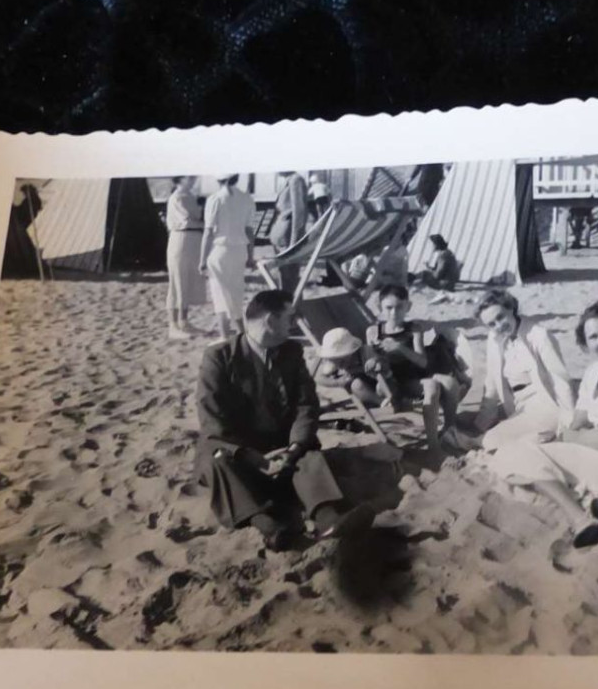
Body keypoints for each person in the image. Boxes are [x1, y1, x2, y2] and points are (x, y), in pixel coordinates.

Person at [196, 290, 376, 551]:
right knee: (216, 460)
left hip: (283, 444)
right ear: (270, 321)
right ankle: (268, 526)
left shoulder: (291, 351)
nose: (294, 324)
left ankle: (328, 519)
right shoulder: (220, 357)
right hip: (240, 449)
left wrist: (294, 446)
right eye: (289, 318)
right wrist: (247, 455)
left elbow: (307, 404)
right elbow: (211, 418)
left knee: (308, 453)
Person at [488, 301, 598, 548]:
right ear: (585, 343)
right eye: (594, 337)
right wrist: (560, 437)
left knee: (518, 456)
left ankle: (579, 519)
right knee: (519, 446)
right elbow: (579, 420)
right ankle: (577, 506)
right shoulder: (594, 370)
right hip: (595, 452)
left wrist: (568, 438)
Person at [359, 284, 467, 451]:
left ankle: (449, 429)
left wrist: (400, 348)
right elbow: (372, 361)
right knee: (432, 386)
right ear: (380, 307)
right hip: (389, 384)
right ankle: (433, 445)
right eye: (389, 308)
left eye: (399, 307)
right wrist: (376, 357)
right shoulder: (373, 331)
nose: (394, 313)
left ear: (407, 306)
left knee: (451, 383)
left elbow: (422, 362)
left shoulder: (414, 329)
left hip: (412, 379)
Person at [473, 288, 575, 450]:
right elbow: (492, 384)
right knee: (487, 433)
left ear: (511, 307)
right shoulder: (494, 339)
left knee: (491, 440)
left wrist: (568, 424)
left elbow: (561, 381)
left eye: (500, 317)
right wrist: (481, 424)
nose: (498, 326)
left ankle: (546, 440)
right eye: (491, 324)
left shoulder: (539, 336)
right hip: (516, 406)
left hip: (545, 404)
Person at [199, 174, 257, 340]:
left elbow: (208, 231)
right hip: (239, 251)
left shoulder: (215, 199)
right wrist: (250, 257)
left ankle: (225, 337)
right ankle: (241, 334)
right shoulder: (247, 199)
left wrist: (202, 260)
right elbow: (249, 231)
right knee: (236, 293)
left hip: (220, 251)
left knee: (220, 295)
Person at [165, 177, 206, 339]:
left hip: (194, 241)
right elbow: (189, 220)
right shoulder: (176, 198)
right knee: (177, 283)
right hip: (181, 240)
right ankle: (173, 326)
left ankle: (184, 322)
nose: (193, 180)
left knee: (188, 282)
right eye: (189, 177)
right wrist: (207, 225)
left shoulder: (191, 197)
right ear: (179, 179)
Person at [268, 170, 310, 291]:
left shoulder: (296, 180)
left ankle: (294, 308)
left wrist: (294, 243)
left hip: (287, 239)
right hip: (281, 238)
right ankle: (287, 306)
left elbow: (299, 212)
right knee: (284, 277)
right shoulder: (288, 181)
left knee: (290, 279)